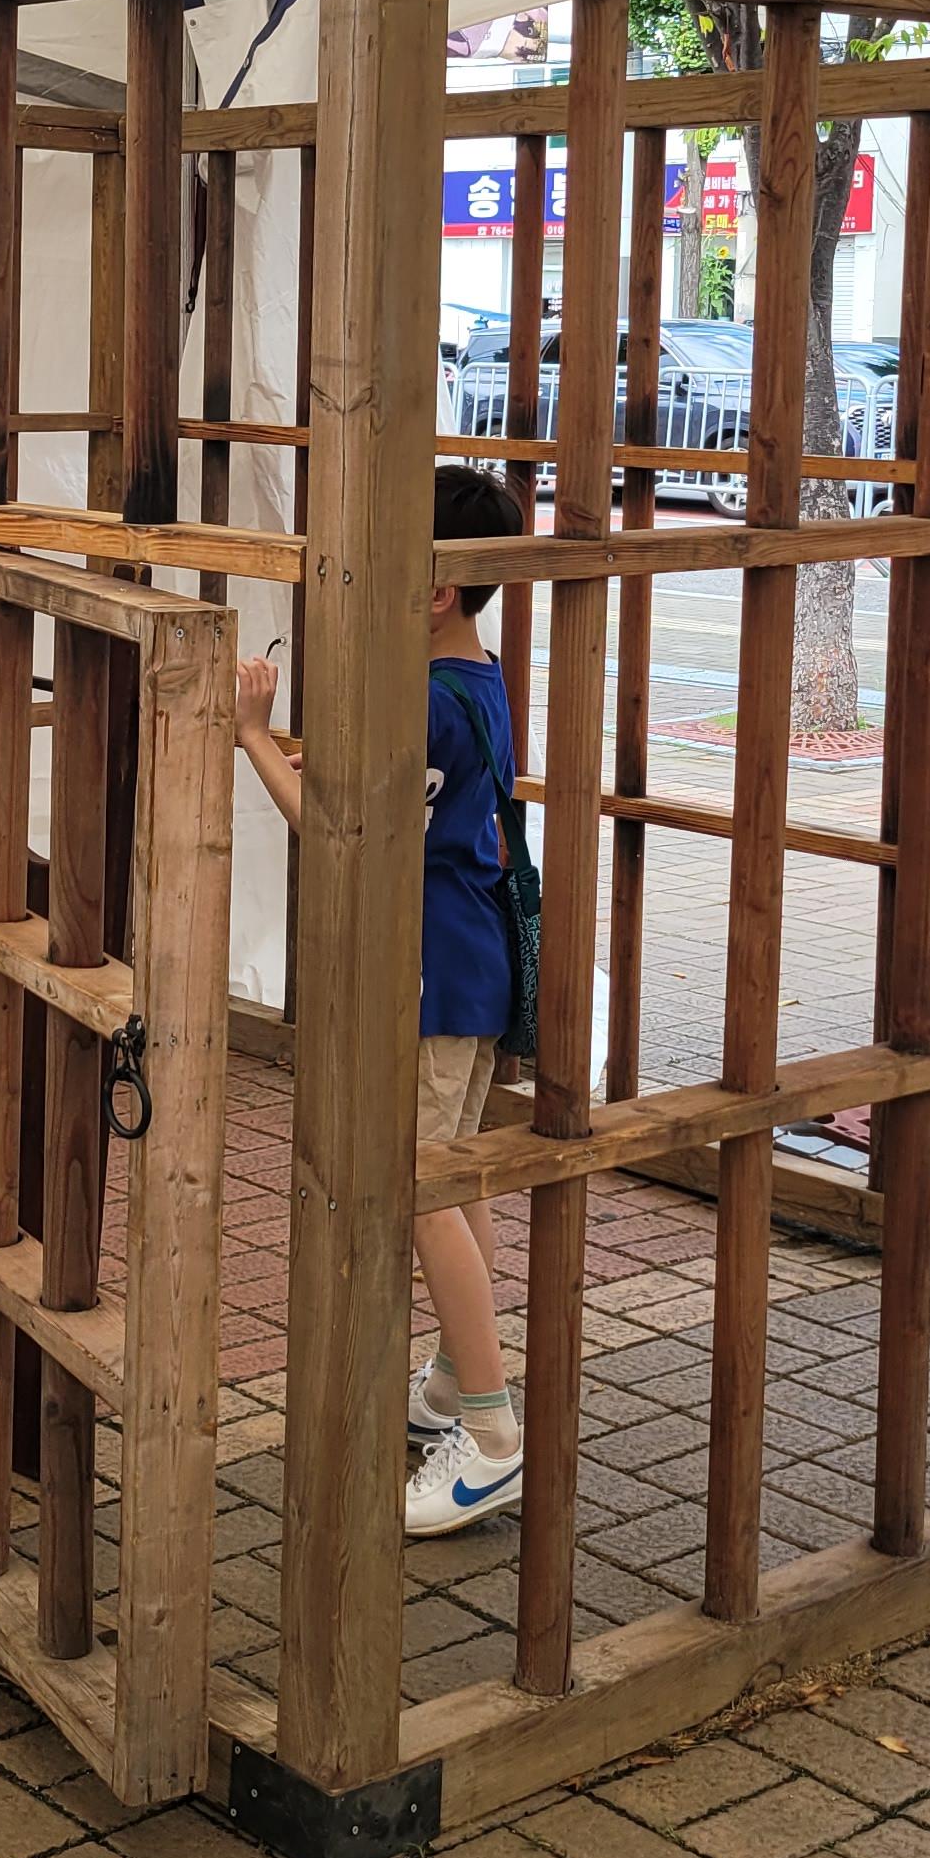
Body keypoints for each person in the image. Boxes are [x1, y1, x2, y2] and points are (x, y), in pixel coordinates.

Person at [234, 464, 526, 1536]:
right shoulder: (477, 683)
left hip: (431, 967)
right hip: (474, 958)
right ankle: (454, 1380)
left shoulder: (423, 702)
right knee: (450, 1173)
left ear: (435, 589)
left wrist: (253, 734)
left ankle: (490, 1435)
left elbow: (339, 831)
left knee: (417, 1188)